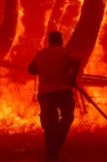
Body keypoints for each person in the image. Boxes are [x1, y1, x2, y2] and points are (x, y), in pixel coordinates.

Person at [28, 31, 80, 162]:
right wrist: (73, 78)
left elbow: (31, 69)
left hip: (45, 93)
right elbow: (77, 61)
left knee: (50, 124)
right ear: (61, 40)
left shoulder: (41, 54)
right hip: (63, 91)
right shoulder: (64, 52)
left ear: (49, 41)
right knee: (67, 117)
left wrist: (43, 69)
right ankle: (56, 147)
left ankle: (50, 152)